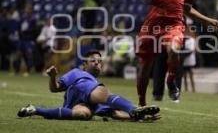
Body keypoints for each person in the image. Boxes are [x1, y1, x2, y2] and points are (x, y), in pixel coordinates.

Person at [137, 0, 218, 106]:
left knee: (175, 49)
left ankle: (171, 81)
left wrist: (207, 19)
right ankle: (141, 103)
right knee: (145, 67)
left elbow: (187, 9)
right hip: (152, 25)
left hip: (174, 25)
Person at [17, 50, 160, 121]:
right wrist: (53, 76)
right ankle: (134, 109)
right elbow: (55, 88)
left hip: (82, 104)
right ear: (84, 64)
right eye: (93, 61)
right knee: (103, 92)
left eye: (99, 61)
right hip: (80, 89)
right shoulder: (77, 73)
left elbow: (114, 114)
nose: (97, 63)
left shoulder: (95, 85)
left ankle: (35, 110)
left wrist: (136, 118)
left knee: (83, 114)